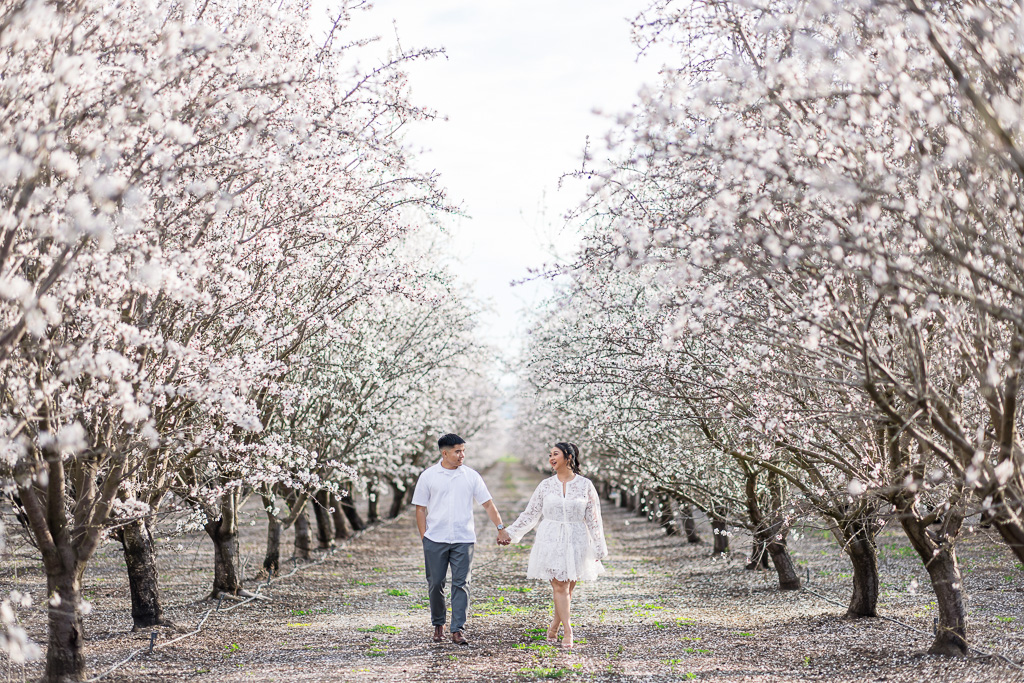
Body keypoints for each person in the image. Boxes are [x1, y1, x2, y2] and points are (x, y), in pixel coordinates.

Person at [504, 442, 607, 649]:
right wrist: (511, 533)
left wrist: (598, 545)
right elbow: (531, 513)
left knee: (568, 588)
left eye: (555, 454)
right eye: (550, 455)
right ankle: (568, 631)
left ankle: (554, 625)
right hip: (551, 539)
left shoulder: (585, 485)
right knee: (559, 586)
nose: (551, 458)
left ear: (569, 457)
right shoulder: (545, 485)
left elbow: (594, 517)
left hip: (577, 538)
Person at [412, 433, 511, 646]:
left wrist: (500, 528)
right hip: (435, 539)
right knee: (435, 583)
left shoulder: (471, 476)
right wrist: (424, 538)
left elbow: (488, 504)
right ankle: (438, 624)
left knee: (461, 584)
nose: (462, 455)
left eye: (463, 451)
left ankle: (458, 629)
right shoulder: (428, 476)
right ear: (444, 452)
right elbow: (420, 509)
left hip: (463, 539)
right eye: (457, 451)